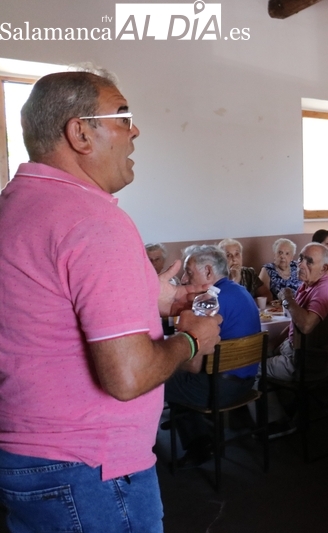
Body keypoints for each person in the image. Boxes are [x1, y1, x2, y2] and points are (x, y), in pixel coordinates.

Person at [0, 70, 221, 532]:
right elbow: (128, 375)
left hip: (26, 454)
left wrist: (150, 299)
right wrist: (191, 340)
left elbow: (43, 313)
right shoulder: (92, 220)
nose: (134, 129)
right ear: (80, 132)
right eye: (122, 116)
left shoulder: (15, 205)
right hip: (90, 470)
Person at [165, 245, 261, 467]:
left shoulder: (207, 302)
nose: (183, 278)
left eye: (189, 271)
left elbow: (192, 365)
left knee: (161, 378)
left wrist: (168, 351)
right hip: (246, 383)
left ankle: (198, 444)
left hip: (220, 390)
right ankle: (197, 429)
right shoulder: (240, 291)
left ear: (208, 272)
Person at [265, 243, 328, 381]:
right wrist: (274, 345)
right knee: (262, 350)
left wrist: (287, 298)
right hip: (297, 349)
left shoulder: (324, 288)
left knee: (251, 369)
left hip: (308, 361)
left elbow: (306, 325)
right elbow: (296, 323)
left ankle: (273, 403)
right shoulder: (308, 284)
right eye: (300, 258)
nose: (300, 265)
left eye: (309, 262)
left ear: (324, 269)